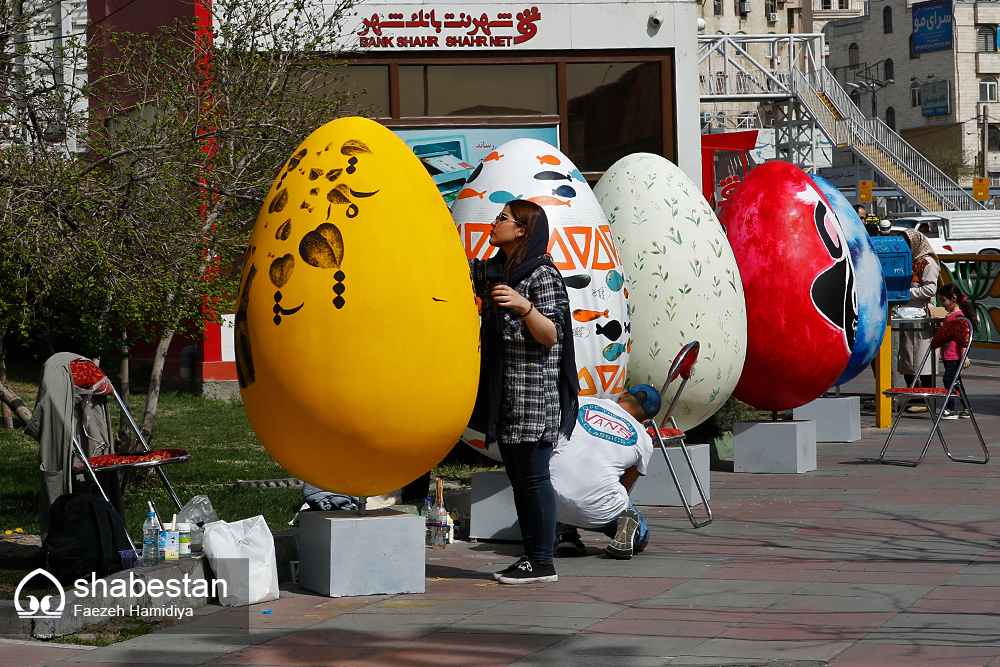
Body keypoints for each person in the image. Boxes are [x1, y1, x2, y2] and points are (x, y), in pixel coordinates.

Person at [469, 199, 578, 585]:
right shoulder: (499, 271)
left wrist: (524, 306)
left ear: (521, 231)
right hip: (510, 396)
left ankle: (542, 561)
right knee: (520, 479)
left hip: (535, 396)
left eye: (502, 218)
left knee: (534, 479)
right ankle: (532, 558)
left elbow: (553, 335)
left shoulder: (541, 275)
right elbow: (457, 271)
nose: (493, 223)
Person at [549, 385, 660, 561]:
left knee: (561, 471)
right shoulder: (643, 438)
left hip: (550, 502)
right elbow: (625, 486)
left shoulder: (580, 402)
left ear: (623, 395)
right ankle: (632, 534)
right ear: (645, 421)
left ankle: (565, 533)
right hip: (601, 513)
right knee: (640, 527)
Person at [899, 228, 941, 412]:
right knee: (908, 357)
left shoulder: (928, 263)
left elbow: (929, 290)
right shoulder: (910, 262)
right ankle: (913, 395)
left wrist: (905, 293)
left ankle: (926, 397)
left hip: (923, 316)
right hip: (908, 315)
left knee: (924, 359)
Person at [936, 283, 976, 419]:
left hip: (955, 356)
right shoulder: (950, 316)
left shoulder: (958, 316)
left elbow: (962, 338)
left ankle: (951, 408)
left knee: (948, 379)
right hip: (948, 355)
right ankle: (967, 407)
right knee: (956, 381)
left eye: (943, 300)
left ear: (953, 298)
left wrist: (965, 356)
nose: (942, 304)